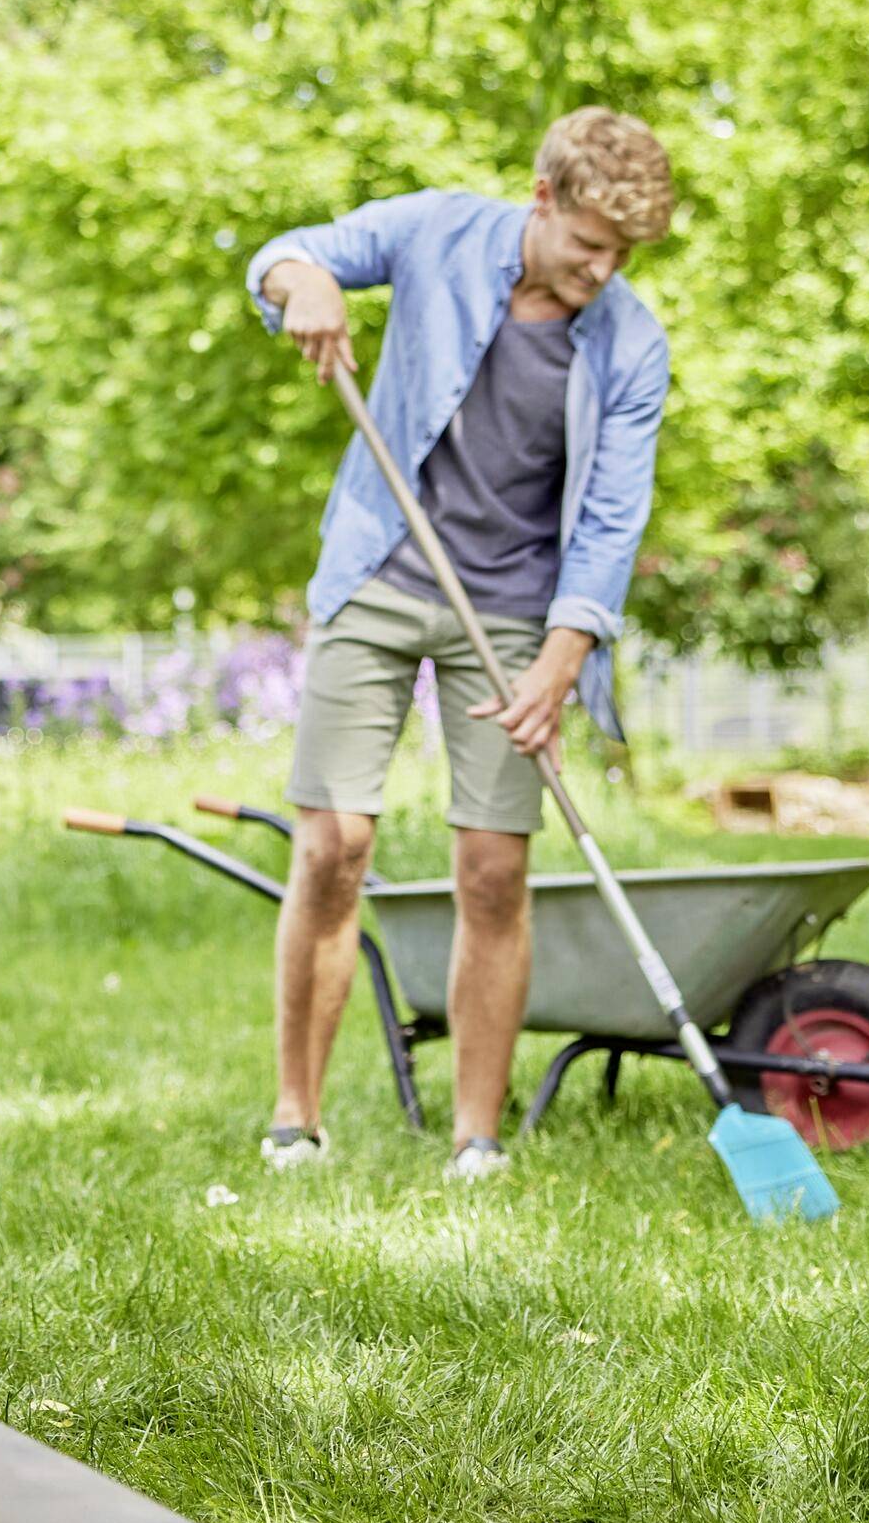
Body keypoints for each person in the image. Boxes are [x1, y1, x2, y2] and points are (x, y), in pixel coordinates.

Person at [244, 107, 673, 1181]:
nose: (601, 269)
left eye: (620, 254)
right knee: (332, 843)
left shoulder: (630, 340)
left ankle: (475, 1140)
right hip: (380, 569)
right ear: (541, 198)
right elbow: (289, 255)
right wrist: (302, 283)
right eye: (586, 243)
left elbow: (613, 518)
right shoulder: (436, 229)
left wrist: (560, 661)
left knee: (490, 867)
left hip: (520, 609)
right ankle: (295, 1117)